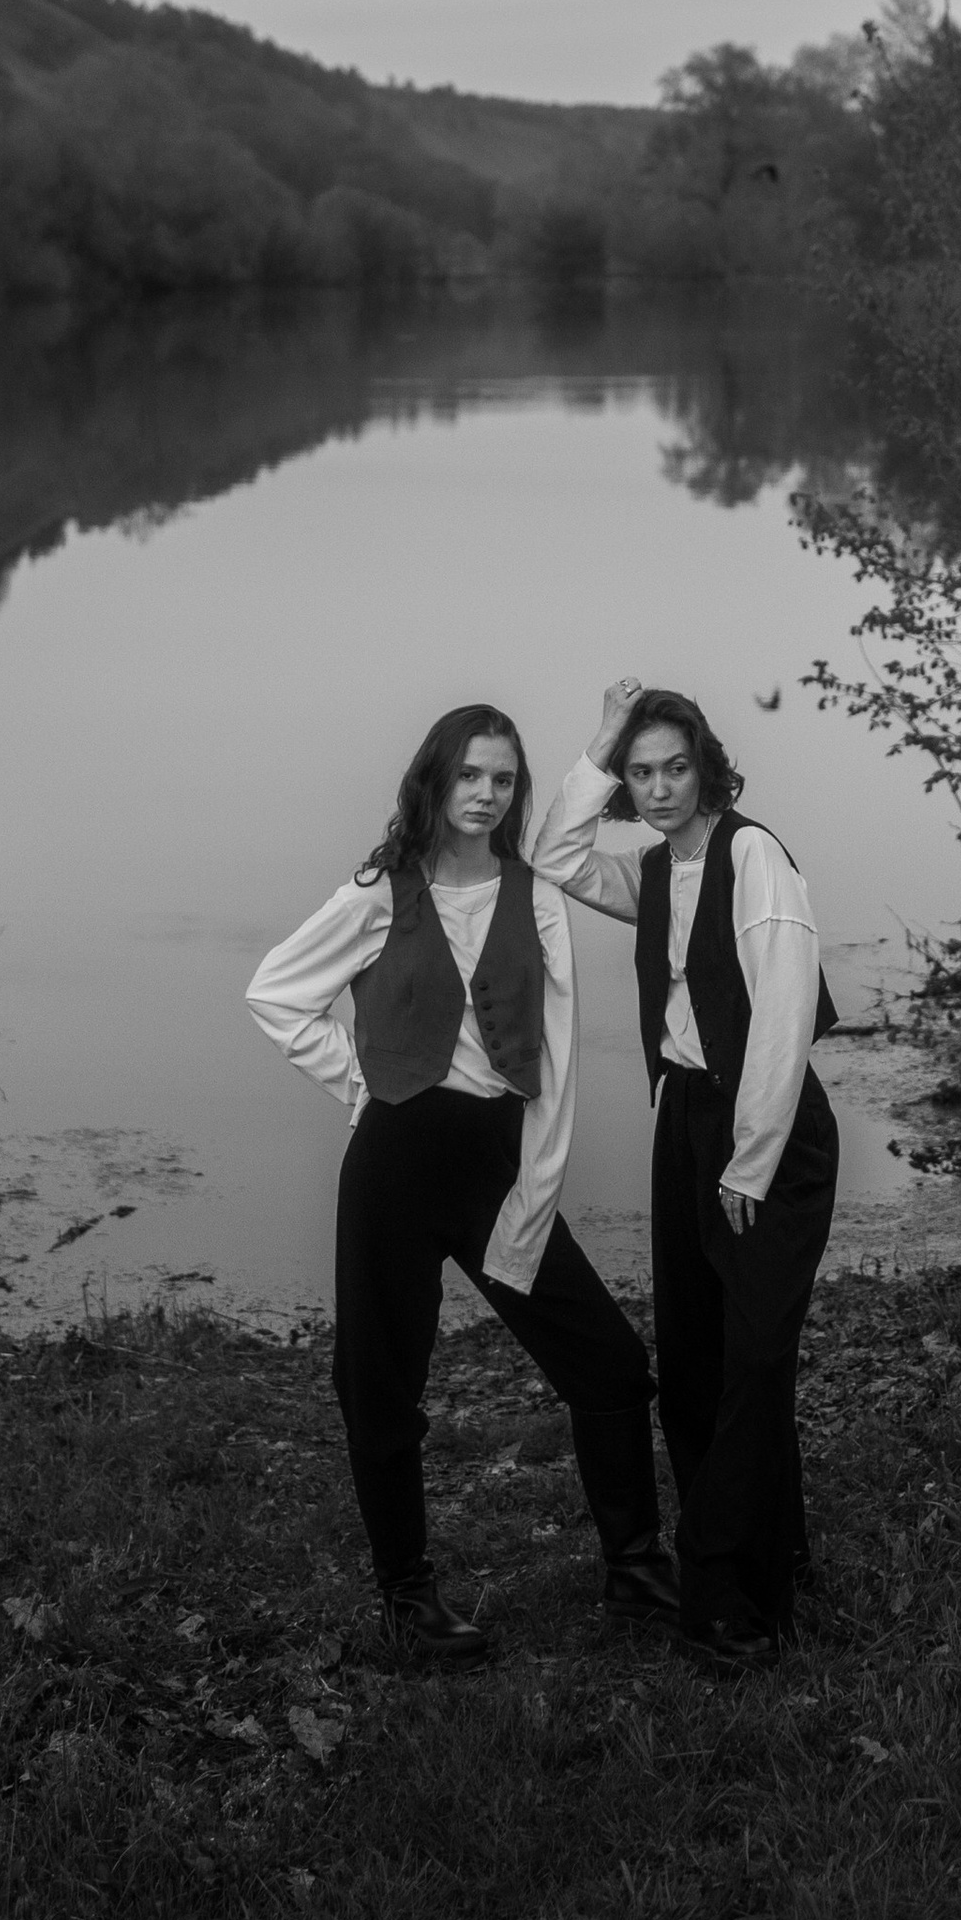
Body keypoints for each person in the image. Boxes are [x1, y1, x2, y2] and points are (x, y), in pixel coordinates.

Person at [245, 702, 679, 1664]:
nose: (487, 795)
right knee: (380, 1389)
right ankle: (408, 1598)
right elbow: (276, 992)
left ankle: (639, 1571)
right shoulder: (376, 891)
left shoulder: (539, 896)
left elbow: (558, 1062)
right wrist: (360, 1082)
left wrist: (537, 1187)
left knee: (609, 1368)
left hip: (495, 1159)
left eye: (505, 779)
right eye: (471, 776)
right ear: (434, 782)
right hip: (395, 1159)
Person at [534, 678, 839, 1673]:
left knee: (753, 1366)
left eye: (673, 767)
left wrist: (749, 1166)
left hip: (770, 1135)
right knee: (698, 1363)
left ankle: (722, 1595)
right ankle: (772, 1563)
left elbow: (785, 1016)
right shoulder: (658, 871)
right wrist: (602, 733)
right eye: (639, 771)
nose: (658, 788)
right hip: (688, 1127)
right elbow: (555, 855)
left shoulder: (754, 858)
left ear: (705, 765)